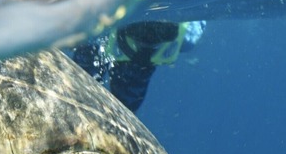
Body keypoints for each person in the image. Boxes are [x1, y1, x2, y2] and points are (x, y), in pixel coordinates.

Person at [71, 20, 205, 112]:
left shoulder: (188, 37)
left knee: (124, 110)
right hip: (111, 39)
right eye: (142, 31)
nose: (149, 37)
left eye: (162, 31)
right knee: (76, 90)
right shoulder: (189, 38)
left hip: (140, 65)